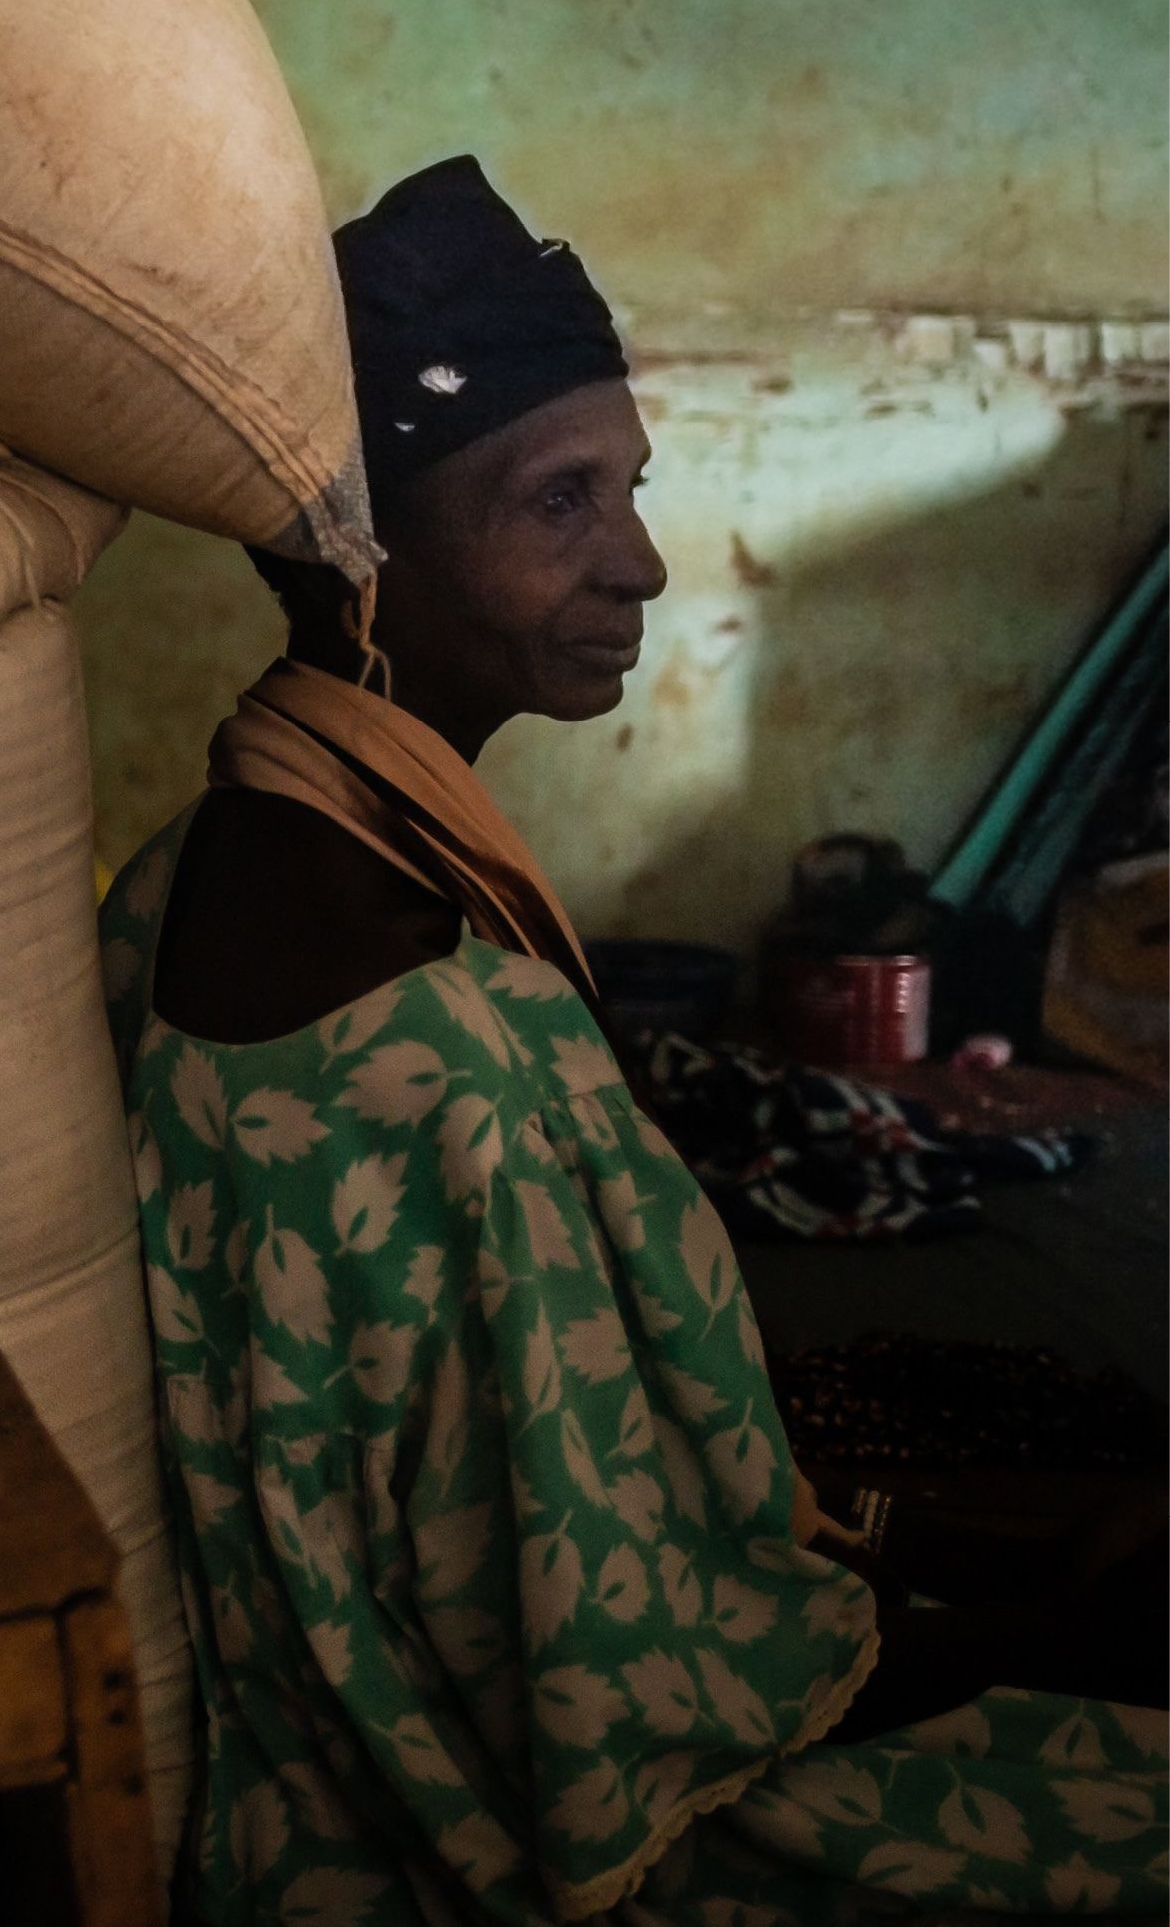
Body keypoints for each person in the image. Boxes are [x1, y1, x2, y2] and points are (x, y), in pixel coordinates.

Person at [102, 158, 1164, 1923]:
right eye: (562, 501)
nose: (643, 562)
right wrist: (1053, 1620)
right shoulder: (465, 1061)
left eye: (630, 489)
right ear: (366, 545)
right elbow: (632, 1699)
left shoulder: (182, 869)